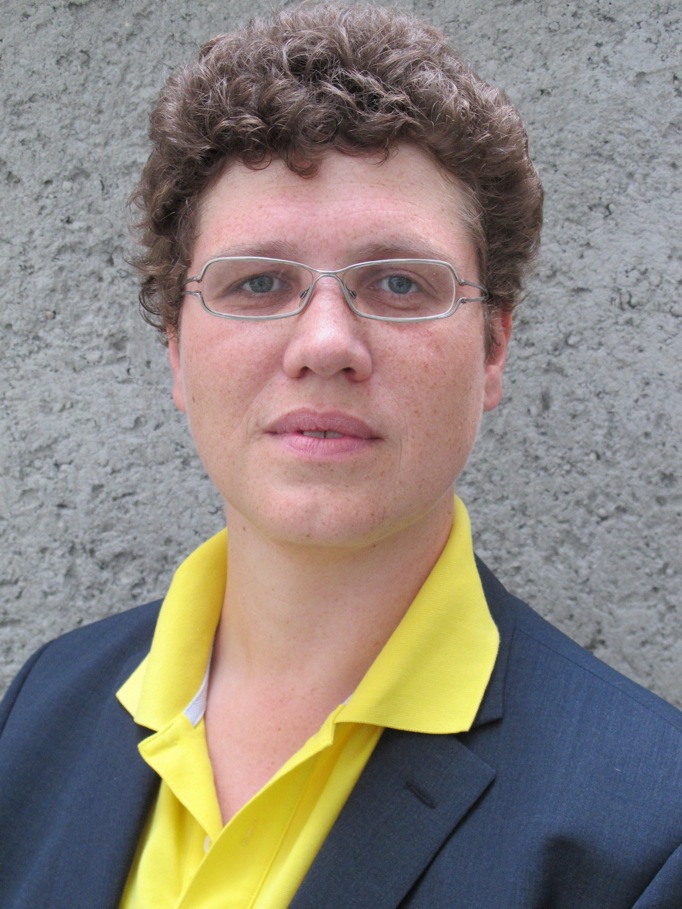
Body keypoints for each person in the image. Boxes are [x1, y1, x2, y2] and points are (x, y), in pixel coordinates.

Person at [1, 3, 680, 907]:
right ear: (175, 352)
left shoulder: (651, 831)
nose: (326, 343)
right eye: (258, 282)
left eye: (399, 282)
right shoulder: (41, 709)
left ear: (492, 350)